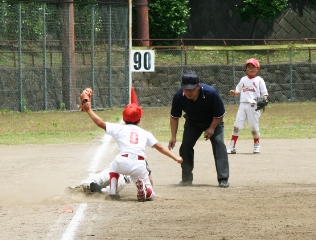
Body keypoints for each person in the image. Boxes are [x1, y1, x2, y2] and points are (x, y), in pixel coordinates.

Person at [82, 101, 183, 201]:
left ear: (124, 119)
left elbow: (100, 123)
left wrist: (89, 110)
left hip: (122, 161)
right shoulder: (145, 133)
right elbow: (160, 147)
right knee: (151, 195)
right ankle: (146, 191)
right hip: (139, 164)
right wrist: (175, 157)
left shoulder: (119, 129)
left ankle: (113, 192)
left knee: (113, 167)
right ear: (139, 119)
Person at [168, 72, 230, 188]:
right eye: (186, 89)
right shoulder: (179, 96)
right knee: (185, 146)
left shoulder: (210, 93)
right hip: (193, 123)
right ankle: (186, 178)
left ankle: (223, 178)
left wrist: (211, 128)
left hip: (213, 122)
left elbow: (219, 114)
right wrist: (173, 136)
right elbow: (174, 117)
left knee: (219, 144)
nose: (188, 92)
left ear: (198, 86)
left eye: (191, 89)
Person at [227, 58, 268, 154]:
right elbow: (239, 91)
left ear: (258, 68)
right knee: (237, 125)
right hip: (243, 105)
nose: (251, 69)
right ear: (246, 69)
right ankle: (232, 146)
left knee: (253, 127)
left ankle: (256, 144)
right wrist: (234, 92)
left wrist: (264, 99)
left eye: (253, 67)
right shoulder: (243, 79)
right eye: (249, 67)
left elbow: (265, 93)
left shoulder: (259, 80)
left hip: (254, 106)